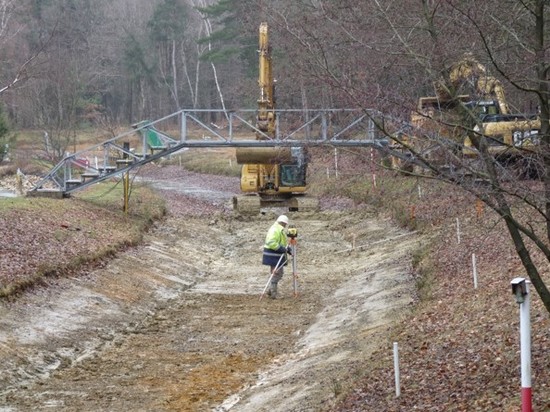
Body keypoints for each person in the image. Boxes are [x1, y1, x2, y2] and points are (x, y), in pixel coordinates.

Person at [262, 214, 292, 299]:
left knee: (276, 273)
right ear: (283, 223)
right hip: (273, 255)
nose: (286, 226)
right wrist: (281, 249)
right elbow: (271, 242)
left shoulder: (279, 229)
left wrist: (287, 249)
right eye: (285, 224)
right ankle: (273, 293)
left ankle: (270, 291)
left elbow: (281, 242)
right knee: (277, 273)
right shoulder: (275, 229)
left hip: (275, 255)